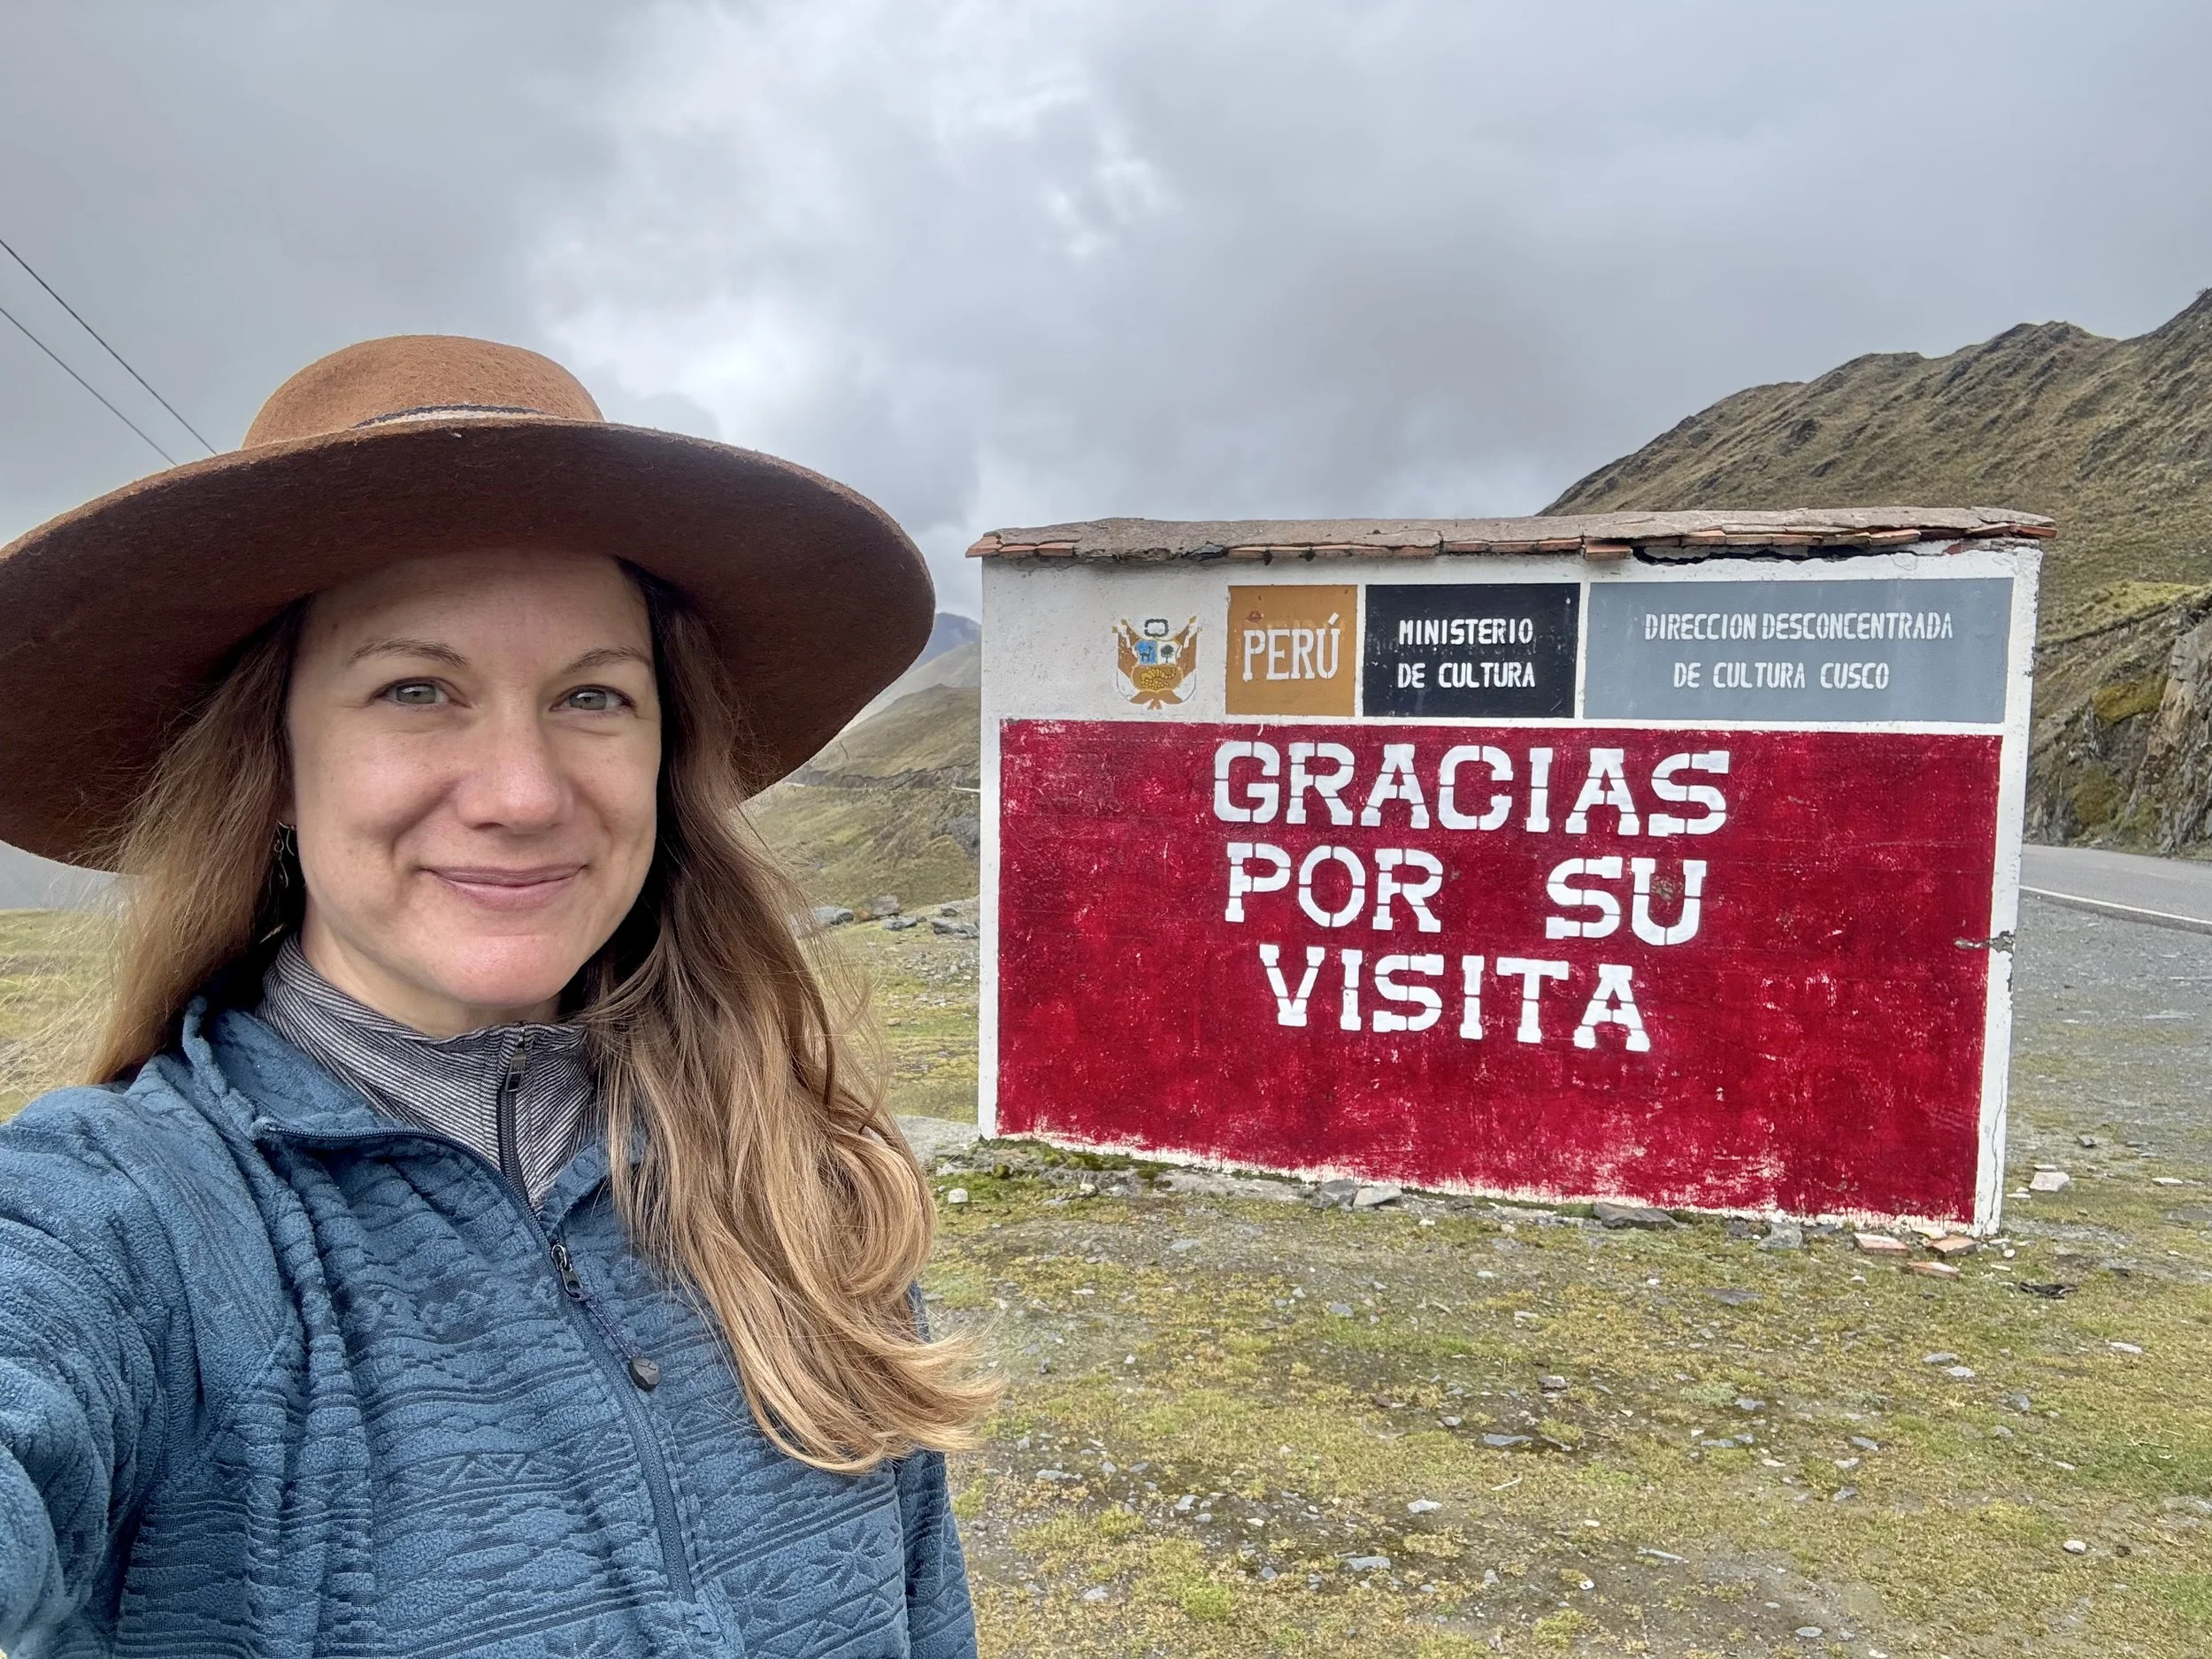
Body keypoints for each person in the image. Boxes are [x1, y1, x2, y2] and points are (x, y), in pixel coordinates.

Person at [0, 335, 996, 1656]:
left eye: (593, 694)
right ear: (276, 764)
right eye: (418, 689)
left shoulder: (799, 1188)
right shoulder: (131, 1223)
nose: (524, 793)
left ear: (662, 753)